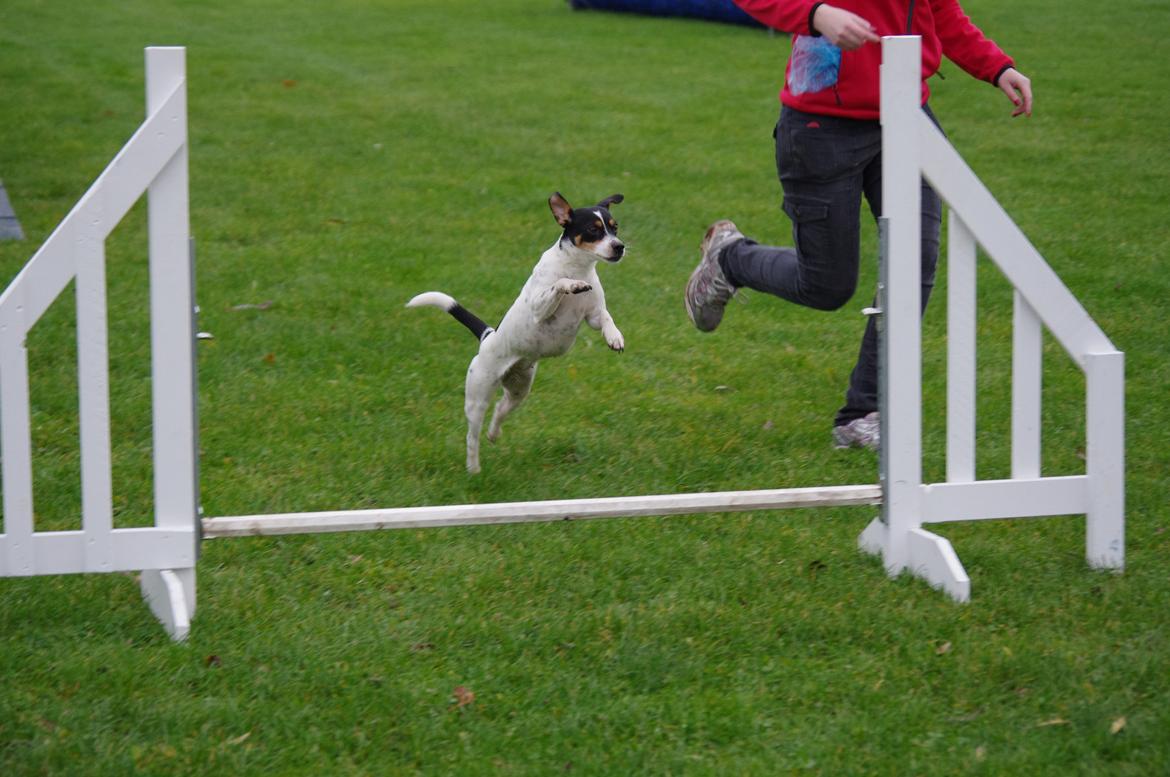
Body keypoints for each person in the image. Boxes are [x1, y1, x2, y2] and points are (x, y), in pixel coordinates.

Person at [684, 1, 1033, 450]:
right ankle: (729, 260)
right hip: (821, 126)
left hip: (908, 118)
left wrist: (996, 67)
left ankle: (863, 413)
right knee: (828, 286)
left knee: (915, 262)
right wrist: (816, 14)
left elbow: (940, 10)